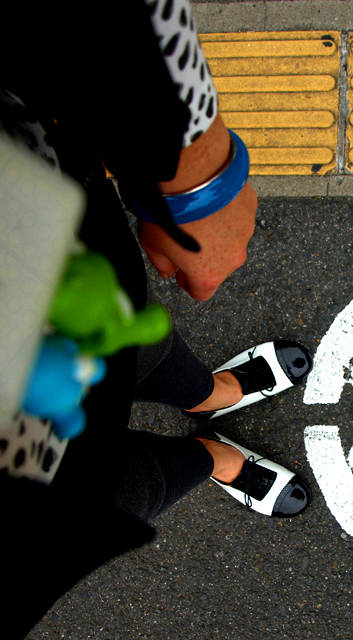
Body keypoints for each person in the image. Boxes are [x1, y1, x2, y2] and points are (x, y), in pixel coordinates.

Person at [0, 1, 313, 638]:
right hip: (14, 527)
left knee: (125, 342)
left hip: (32, 258)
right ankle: (212, 455)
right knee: (112, 497)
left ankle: (209, 393)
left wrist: (198, 178)